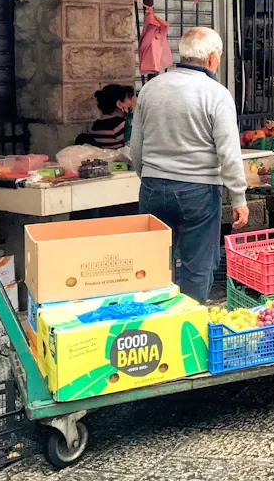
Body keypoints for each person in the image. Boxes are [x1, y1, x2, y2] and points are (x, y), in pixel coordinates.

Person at [131, 27, 248, 303]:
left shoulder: (150, 88)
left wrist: (148, 176)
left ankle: (155, 325)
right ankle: (188, 328)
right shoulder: (216, 94)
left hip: (152, 186)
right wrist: (239, 197)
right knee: (197, 266)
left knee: (153, 265)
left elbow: (136, 146)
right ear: (210, 59)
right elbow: (228, 153)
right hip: (199, 192)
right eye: (218, 56)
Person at [77, 84, 135, 149]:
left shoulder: (96, 124)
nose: (133, 102)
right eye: (129, 98)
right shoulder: (122, 126)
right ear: (119, 104)